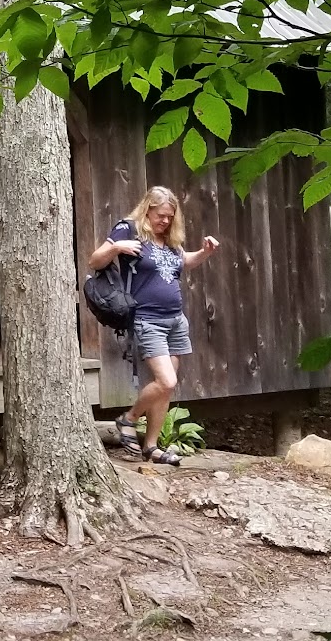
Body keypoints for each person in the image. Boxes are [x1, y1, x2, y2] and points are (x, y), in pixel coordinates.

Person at [85, 185, 220, 466]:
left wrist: (205, 253)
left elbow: (184, 262)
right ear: (148, 209)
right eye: (161, 216)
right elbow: (94, 261)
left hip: (175, 319)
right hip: (148, 320)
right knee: (166, 380)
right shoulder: (128, 230)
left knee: (166, 388)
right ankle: (128, 418)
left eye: (170, 217)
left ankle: (152, 447)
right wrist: (117, 247)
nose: (166, 221)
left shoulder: (169, 240)